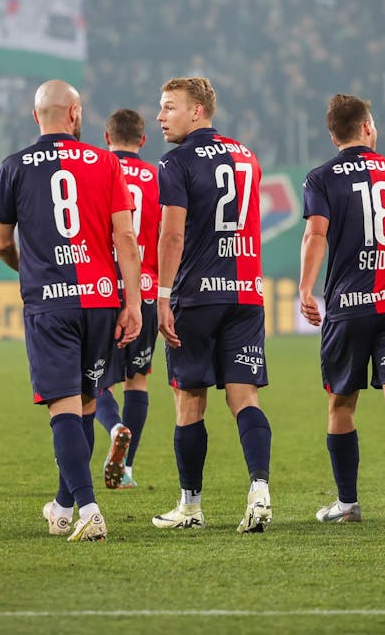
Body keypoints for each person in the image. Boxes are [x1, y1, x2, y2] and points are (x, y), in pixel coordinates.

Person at [0, 82, 143, 543]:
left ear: (37, 116)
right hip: (100, 299)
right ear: (74, 113)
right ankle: (62, 505)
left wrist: (28, 269)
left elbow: (0, 243)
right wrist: (132, 302)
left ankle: (90, 508)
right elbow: (126, 239)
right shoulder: (107, 162)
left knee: (63, 408)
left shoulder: (14, 166)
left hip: (50, 302)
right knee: (87, 404)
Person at [298, 94, 385, 526]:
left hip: (347, 307)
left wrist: (305, 289)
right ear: (368, 128)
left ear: (333, 134)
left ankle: (348, 503)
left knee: (341, 405)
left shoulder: (320, 178)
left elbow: (315, 235)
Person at [149, 77, 275, 534]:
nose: (160, 116)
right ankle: (259, 490)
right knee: (245, 398)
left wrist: (162, 297)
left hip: (196, 295)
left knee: (189, 401)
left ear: (197, 111)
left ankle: (191, 506)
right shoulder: (248, 156)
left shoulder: (175, 161)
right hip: (244, 293)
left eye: (169, 108)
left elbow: (173, 234)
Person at [93, 108, 160, 490]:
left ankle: (114, 425)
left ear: (107, 136)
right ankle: (127, 470)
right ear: (143, 140)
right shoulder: (158, 178)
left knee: (96, 379)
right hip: (146, 291)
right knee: (138, 381)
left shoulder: (96, 169)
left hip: (103, 289)